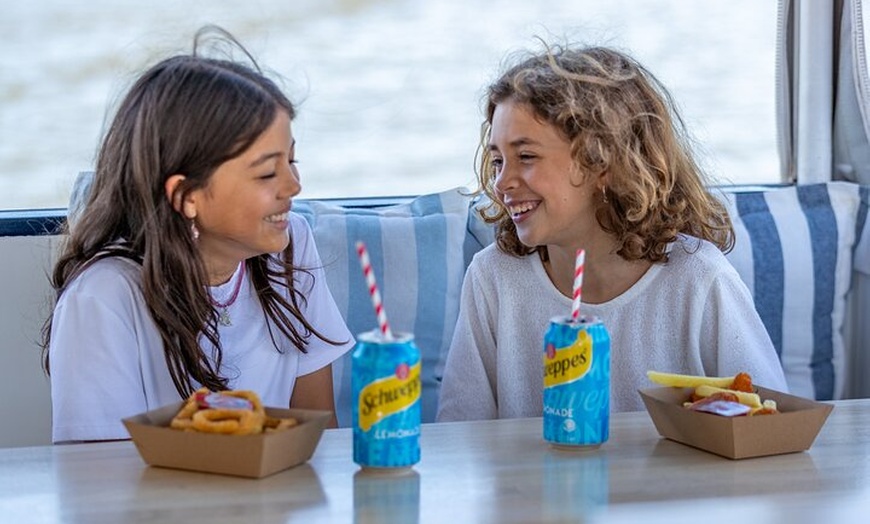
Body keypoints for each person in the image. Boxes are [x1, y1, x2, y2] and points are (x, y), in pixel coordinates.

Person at [437, 43, 788, 421]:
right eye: (497, 160)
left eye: (526, 157)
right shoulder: (493, 279)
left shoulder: (700, 280)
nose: (502, 181)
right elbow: (460, 435)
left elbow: (769, 426)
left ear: (603, 163)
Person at [41, 26, 354, 443]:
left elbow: (318, 434)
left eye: (292, 160)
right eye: (266, 172)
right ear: (187, 195)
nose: (294, 186)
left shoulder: (291, 244)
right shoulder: (104, 297)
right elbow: (98, 483)